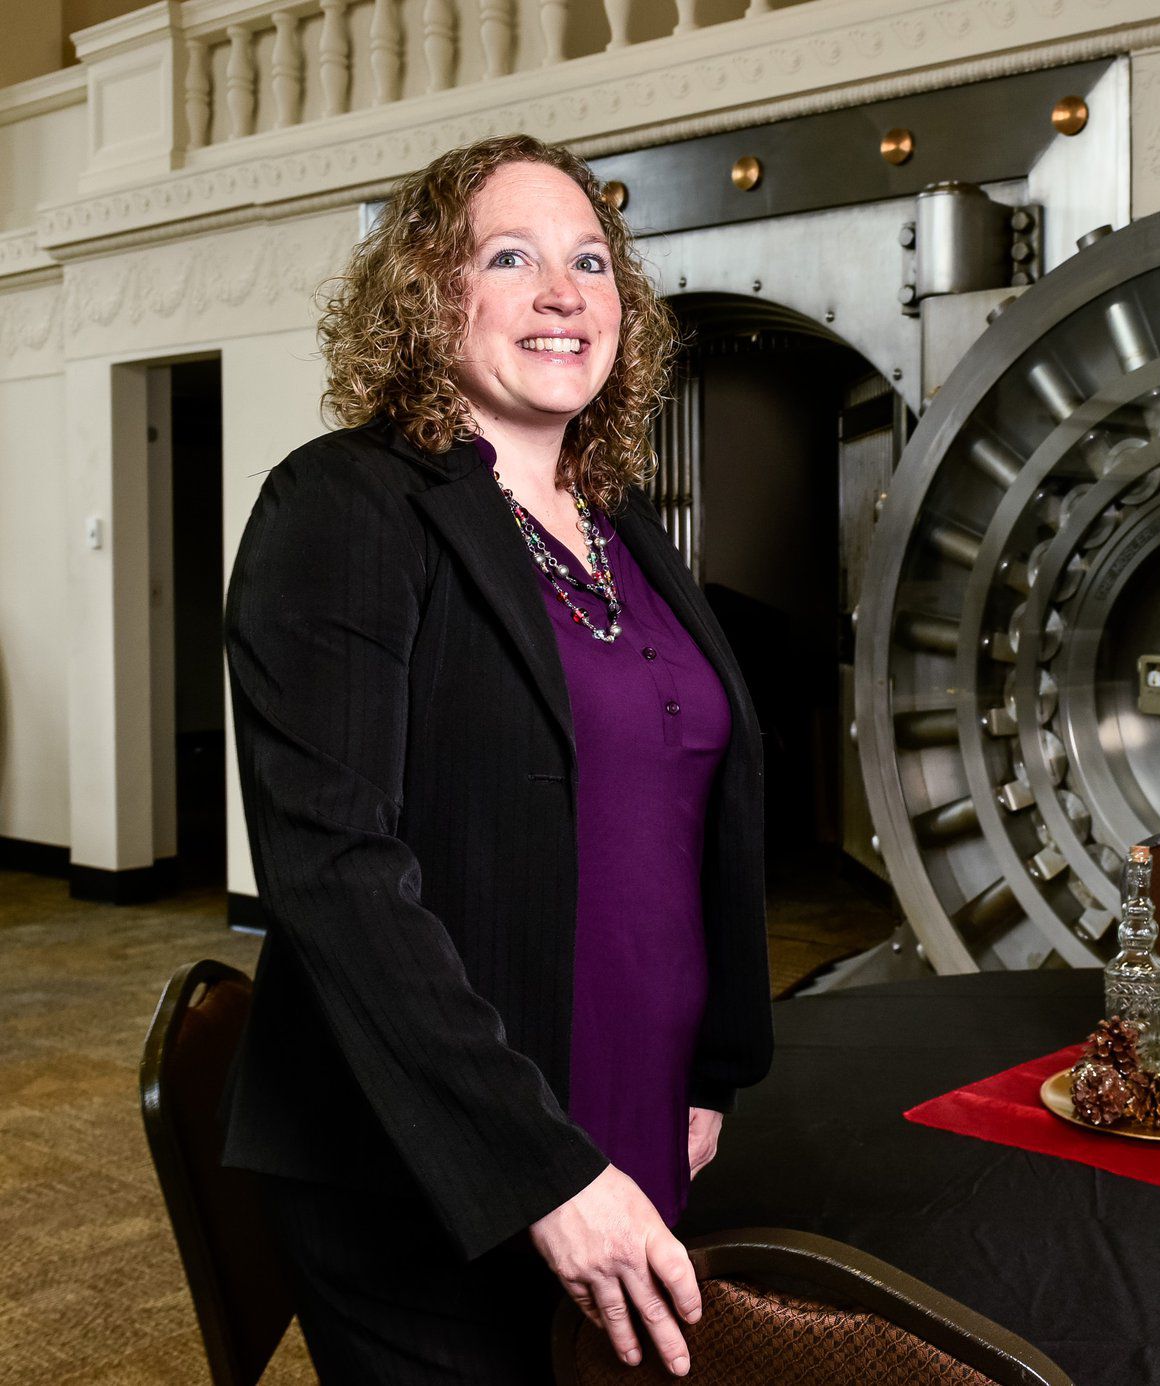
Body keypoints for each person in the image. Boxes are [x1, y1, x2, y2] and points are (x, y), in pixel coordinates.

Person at [220, 133, 770, 1382]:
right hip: (432, 1145)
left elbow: (683, 827)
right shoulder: (344, 504)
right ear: (428, 294)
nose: (562, 292)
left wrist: (712, 1072)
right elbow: (335, 870)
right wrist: (537, 1166)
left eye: (589, 259)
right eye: (509, 256)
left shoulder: (621, 523)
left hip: (632, 1102)